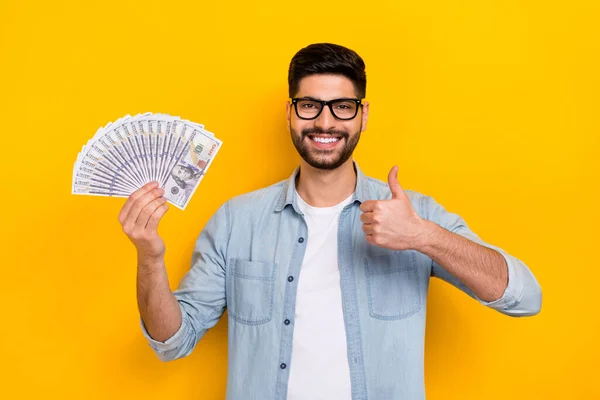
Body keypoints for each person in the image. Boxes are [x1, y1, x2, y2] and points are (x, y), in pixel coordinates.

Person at [118, 43, 542, 400]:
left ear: (363, 114)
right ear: (290, 112)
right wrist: (150, 259)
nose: (325, 122)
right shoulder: (236, 221)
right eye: (309, 106)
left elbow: (524, 298)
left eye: (342, 107)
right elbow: (173, 342)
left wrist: (425, 237)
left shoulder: (414, 215)